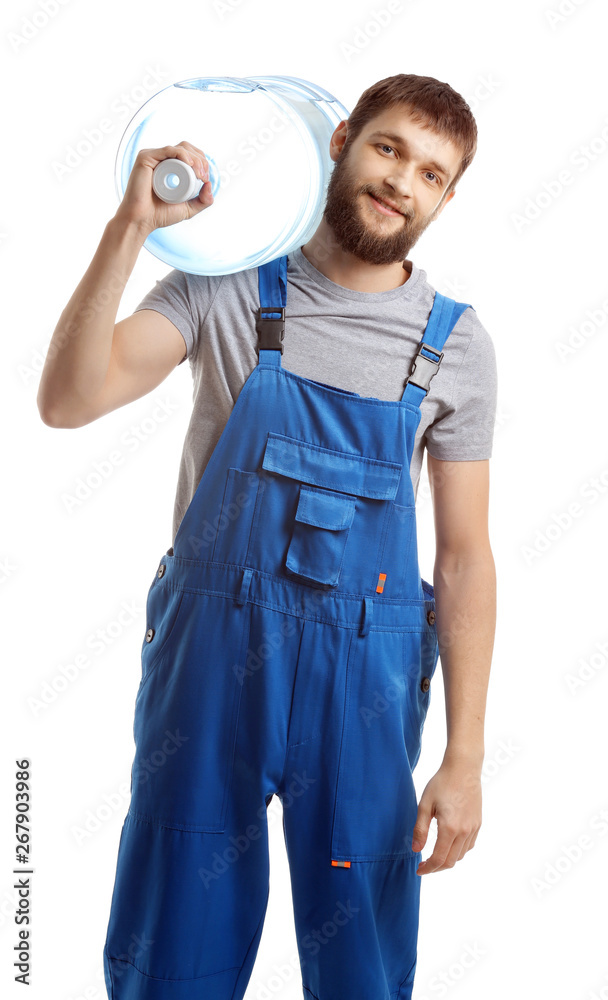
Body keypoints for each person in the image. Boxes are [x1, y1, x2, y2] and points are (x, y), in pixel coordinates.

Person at [38, 73, 497, 1000]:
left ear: (447, 200)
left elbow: (463, 559)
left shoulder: (454, 347)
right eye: (390, 148)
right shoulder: (224, 288)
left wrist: (466, 756)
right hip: (212, 670)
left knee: (360, 966)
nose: (404, 181)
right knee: (175, 950)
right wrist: (131, 228)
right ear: (341, 144)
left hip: (363, 691)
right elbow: (67, 400)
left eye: (434, 175)